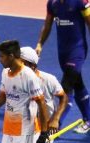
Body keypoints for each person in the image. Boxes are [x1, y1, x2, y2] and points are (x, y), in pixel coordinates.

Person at [35, 0, 90, 133]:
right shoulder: (52, 3)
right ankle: (88, 119)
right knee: (77, 84)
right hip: (63, 53)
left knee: (66, 86)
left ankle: (56, 123)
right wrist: (40, 44)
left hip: (77, 51)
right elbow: (47, 25)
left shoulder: (81, 2)